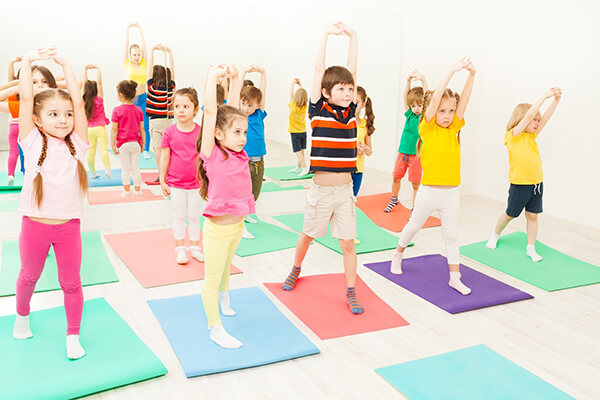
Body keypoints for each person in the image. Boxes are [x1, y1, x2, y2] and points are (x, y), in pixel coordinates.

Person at [281, 22, 364, 314]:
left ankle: (351, 290)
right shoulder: (318, 110)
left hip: (344, 192)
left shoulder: (351, 112)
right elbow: (318, 70)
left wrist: (353, 36)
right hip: (320, 191)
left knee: (348, 244)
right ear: (326, 93)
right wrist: (326, 35)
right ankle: (296, 268)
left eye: (350, 89)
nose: (347, 92)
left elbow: (352, 70)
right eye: (341, 88)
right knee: (308, 235)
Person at [13, 47, 89, 360]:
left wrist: (66, 64)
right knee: (28, 276)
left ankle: (73, 335)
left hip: (68, 227)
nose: (63, 120)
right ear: (37, 120)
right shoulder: (31, 140)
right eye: (54, 114)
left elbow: (79, 102)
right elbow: (26, 99)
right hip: (35, 226)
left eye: (67, 114)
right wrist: (27, 61)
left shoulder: (78, 143)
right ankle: (21, 317)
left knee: (71, 283)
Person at [390, 58, 476, 296]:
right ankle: (397, 254)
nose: (448, 116)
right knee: (414, 225)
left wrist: (471, 75)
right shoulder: (426, 127)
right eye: (442, 111)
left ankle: (455, 278)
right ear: (433, 110)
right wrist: (450, 72)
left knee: (452, 235)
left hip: (451, 193)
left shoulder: (454, 127)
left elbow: (465, 100)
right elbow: (436, 97)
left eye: (451, 111)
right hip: (428, 192)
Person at [198, 65, 254, 348]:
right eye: (237, 132)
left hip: (237, 226)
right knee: (212, 276)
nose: (243, 137)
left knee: (226, 269)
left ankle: (224, 296)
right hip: (218, 231)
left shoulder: (239, 153)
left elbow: (230, 110)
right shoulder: (212, 154)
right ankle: (215, 328)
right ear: (218, 134)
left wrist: (236, 78)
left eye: (244, 132)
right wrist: (212, 78)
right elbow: (211, 113)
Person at [485, 88, 562, 262]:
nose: (537, 122)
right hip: (520, 184)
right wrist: (544, 97)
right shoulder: (512, 136)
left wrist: (556, 100)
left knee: (533, 215)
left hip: (536, 184)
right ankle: (495, 235)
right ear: (520, 119)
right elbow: (527, 117)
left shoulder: (532, 136)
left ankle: (531, 248)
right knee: (510, 214)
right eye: (534, 119)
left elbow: (546, 118)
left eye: (537, 120)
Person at [159, 88, 204, 264]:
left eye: (186, 106)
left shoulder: (200, 132)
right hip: (176, 183)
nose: (181, 110)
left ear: (195, 109)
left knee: (193, 216)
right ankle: (180, 249)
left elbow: (204, 157)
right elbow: (164, 157)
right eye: (177, 106)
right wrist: (162, 179)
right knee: (178, 216)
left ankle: (195, 247)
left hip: (196, 183)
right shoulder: (169, 132)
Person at [384, 70, 428, 212]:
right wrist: (408, 81)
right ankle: (394, 199)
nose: (416, 109)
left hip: (416, 156)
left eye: (419, 105)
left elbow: (428, 97)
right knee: (396, 177)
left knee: (415, 184)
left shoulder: (424, 118)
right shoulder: (409, 115)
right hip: (402, 153)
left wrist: (423, 80)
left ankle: (415, 207)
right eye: (413, 106)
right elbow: (405, 96)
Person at [111, 80, 145, 196]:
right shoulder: (138, 110)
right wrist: (143, 143)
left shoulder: (116, 111)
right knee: (136, 168)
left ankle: (126, 191)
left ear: (120, 95)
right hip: (136, 144)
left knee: (125, 169)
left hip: (123, 145)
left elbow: (114, 129)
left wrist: (112, 144)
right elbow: (142, 128)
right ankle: (138, 190)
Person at [82, 64, 111, 179]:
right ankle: (107, 170)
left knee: (91, 151)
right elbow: (99, 83)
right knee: (103, 150)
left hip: (89, 130)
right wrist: (98, 69)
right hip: (100, 129)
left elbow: (84, 84)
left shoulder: (83, 100)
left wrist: (85, 70)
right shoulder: (99, 99)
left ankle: (93, 173)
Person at [288, 78, 309, 175]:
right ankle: (298, 167)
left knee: (298, 151)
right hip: (303, 132)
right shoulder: (304, 107)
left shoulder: (293, 105)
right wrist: (300, 85)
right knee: (301, 151)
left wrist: (293, 84)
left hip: (295, 132)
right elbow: (302, 95)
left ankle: (304, 168)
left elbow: (291, 94)